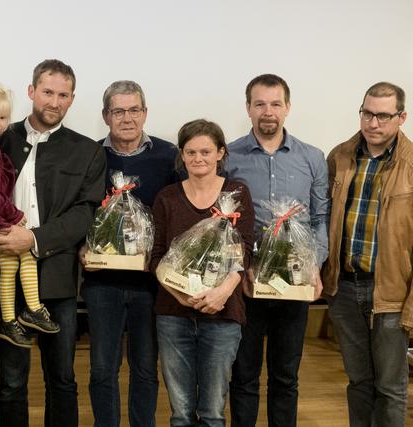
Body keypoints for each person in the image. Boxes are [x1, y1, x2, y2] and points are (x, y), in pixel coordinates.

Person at [0, 59, 106, 427]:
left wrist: (33, 238)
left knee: (61, 378)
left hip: (58, 280)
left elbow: (85, 213)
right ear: (31, 92)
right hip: (5, 279)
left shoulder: (87, 151)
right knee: (11, 381)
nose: (54, 101)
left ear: (72, 100)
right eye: (48, 92)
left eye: (63, 95)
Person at [225, 74, 329, 427]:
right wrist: (240, 268)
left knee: (286, 377)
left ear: (288, 107)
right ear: (248, 108)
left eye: (275, 104)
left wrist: (314, 267)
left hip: (295, 283)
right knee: (244, 375)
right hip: (246, 283)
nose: (267, 112)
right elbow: (224, 219)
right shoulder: (230, 155)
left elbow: (319, 219)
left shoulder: (312, 158)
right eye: (259, 104)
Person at [79, 80, 179, 427]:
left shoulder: (170, 156)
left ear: (145, 113)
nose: (127, 118)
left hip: (150, 283)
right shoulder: (90, 155)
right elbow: (80, 209)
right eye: (118, 111)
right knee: (102, 368)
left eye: (134, 110)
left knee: (145, 367)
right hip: (101, 282)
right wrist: (82, 247)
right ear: (106, 115)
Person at [150, 119, 254, 426]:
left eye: (206, 151)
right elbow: (156, 257)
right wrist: (181, 296)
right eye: (191, 151)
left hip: (223, 313)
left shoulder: (237, 193)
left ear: (221, 153)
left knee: (212, 412)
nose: (198, 158)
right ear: (181, 155)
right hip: (173, 314)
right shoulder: (167, 197)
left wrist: (222, 293)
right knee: (180, 413)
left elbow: (245, 250)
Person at [323, 82, 411, 427]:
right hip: (344, 288)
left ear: (401, 117)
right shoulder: (340, 156)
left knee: (390, 387)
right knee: (359, 382)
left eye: (383, 116)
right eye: (367, 113)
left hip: (390, 292)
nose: (373, 123)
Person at [0, 83, 59, 349]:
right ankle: (28, 311)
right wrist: (14, 215)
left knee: (12, 265)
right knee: (23, 255)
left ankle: (16, 316)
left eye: (3, 118)